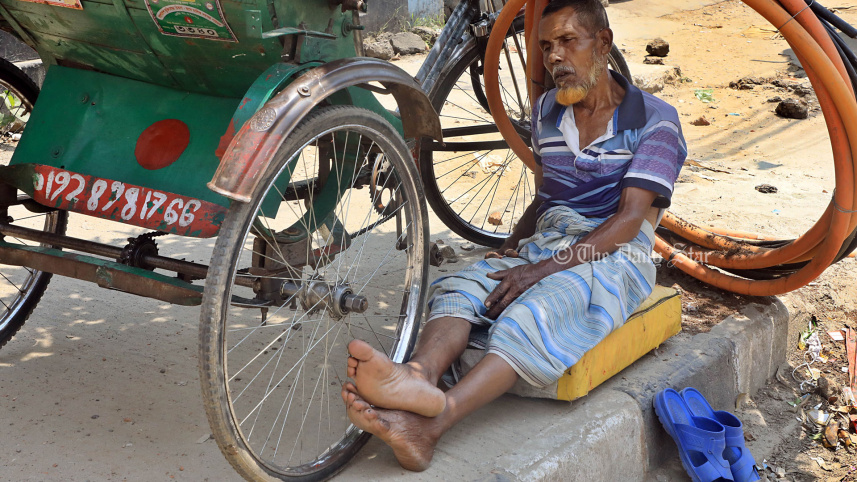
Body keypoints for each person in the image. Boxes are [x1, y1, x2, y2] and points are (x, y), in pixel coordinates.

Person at [341, 0, 687, 471]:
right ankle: (418, 375)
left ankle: (435, 422)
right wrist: (511, 249)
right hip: (551, 238)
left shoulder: (656, 120)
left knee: (534, 311)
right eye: (546, 46)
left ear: (602, 43)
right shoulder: (548, 110)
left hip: (618, 254)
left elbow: (628, 221)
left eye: (568, 41)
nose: (554, 57)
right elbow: (546, 196)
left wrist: (538, 271)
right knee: (462, 286)